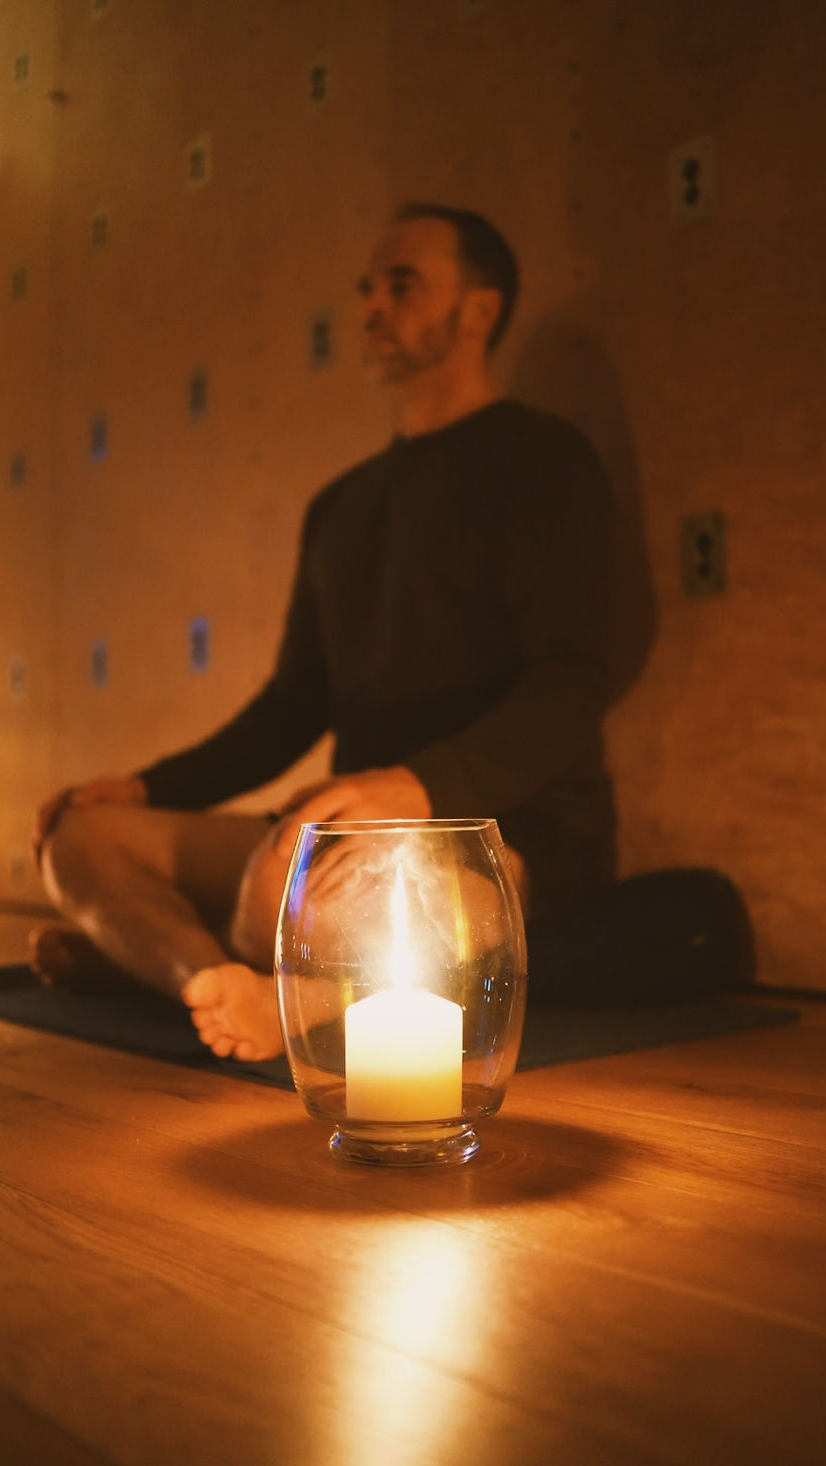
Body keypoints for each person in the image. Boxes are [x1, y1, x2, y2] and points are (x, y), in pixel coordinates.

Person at [33, 203, 616, 1061]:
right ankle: (213, 982)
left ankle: (197, 970)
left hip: (498, 832)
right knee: (81, 844)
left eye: (403, 285)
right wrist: (148, 786)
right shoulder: (341, 506)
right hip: (339, 831)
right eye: (367, 289)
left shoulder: (542, 460)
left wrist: (420, 788)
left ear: (479, 310)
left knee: (309, 892)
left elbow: (574, 679)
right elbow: (291, 705)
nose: (373, 305)